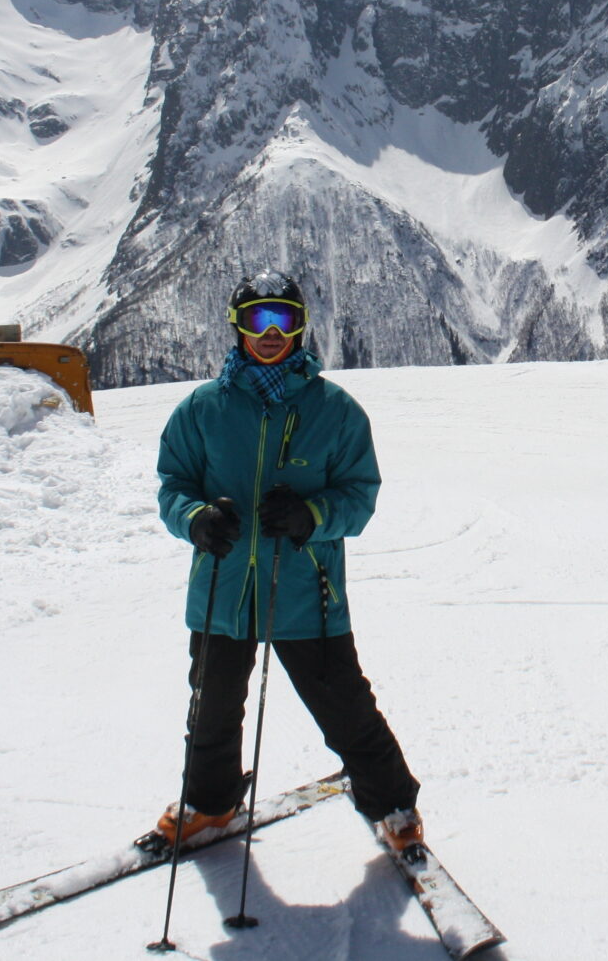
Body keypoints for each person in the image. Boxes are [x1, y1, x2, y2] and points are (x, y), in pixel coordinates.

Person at [150, 270, 423, 854]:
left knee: (345, 706)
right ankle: (210, 801)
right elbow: (173, 483)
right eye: (257, 319)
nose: (270, 333)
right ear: (237, 327)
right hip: (223, 586)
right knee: (212, 707)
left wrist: (313, 517)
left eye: (283, 319)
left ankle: (394, 804)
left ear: (300, 327)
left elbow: (360, 496)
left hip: (307, 593)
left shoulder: (336, 411)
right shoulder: (203, 410)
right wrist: (195, 518)